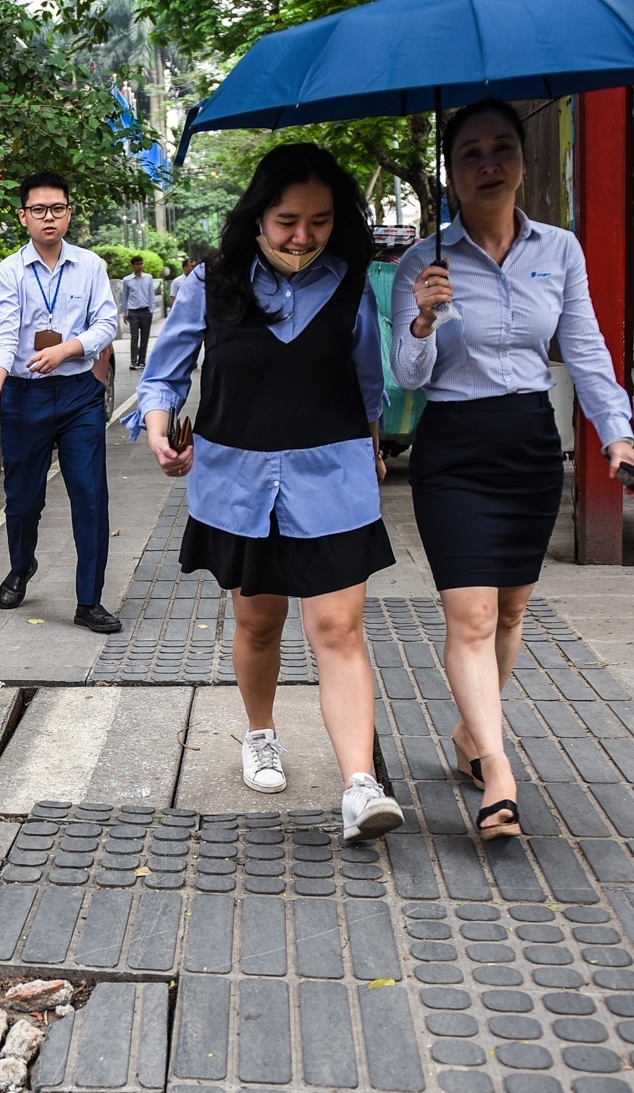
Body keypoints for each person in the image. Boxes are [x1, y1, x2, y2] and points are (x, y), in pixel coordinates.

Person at [392, 99, 634, 841]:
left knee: (511, 613)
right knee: (472, 615)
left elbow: (585, 346)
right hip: (453, 446)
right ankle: (500, 770)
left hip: (528, 442)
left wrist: (617, 435)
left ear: (523, 161)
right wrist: (422, 318)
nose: (488, 163)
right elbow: (407, 376)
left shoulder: (560, 250)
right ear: (451, 170)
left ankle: (468, 735)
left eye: (502, 148)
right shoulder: (423, 261)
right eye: (472, 152)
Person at [131, 142, 404, 843]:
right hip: (238, 482)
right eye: (287, 220)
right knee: (259, 623)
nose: (302, 236)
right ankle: (260, 732)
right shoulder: (210, 282)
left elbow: (368, 383)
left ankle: (358, 785)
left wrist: (375, 447)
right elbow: (163, 375)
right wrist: (159, 429)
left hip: (335, 476)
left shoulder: (350, 285)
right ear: (258, 214)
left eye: (318, 221)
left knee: (338, 629)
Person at [0, 172, 122, 633]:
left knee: (90, 497)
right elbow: (5, 336)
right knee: (22, 500)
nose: (49, 217)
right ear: (23, 217)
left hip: (78, 394)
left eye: (57, 208)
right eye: (38, 210)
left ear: (69, 213)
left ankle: (89, 600)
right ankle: (21, 567)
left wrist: (68, 348)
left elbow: (107, 324)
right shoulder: (10, 271)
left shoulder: (91, 266)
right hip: (23, 396)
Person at [119, 255, 156, 368]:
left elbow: (151, 294)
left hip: (146, 310)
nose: (140, 266)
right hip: (133, 311)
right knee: (134, 337)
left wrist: (152, 310)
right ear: (132, 266)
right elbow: (124, 297)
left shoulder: (148, 278)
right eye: (137, 264)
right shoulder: (127, 280)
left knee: (145, 337)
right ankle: (133, 361)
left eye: (141, 263)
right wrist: (125, 313)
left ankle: (142, 361)